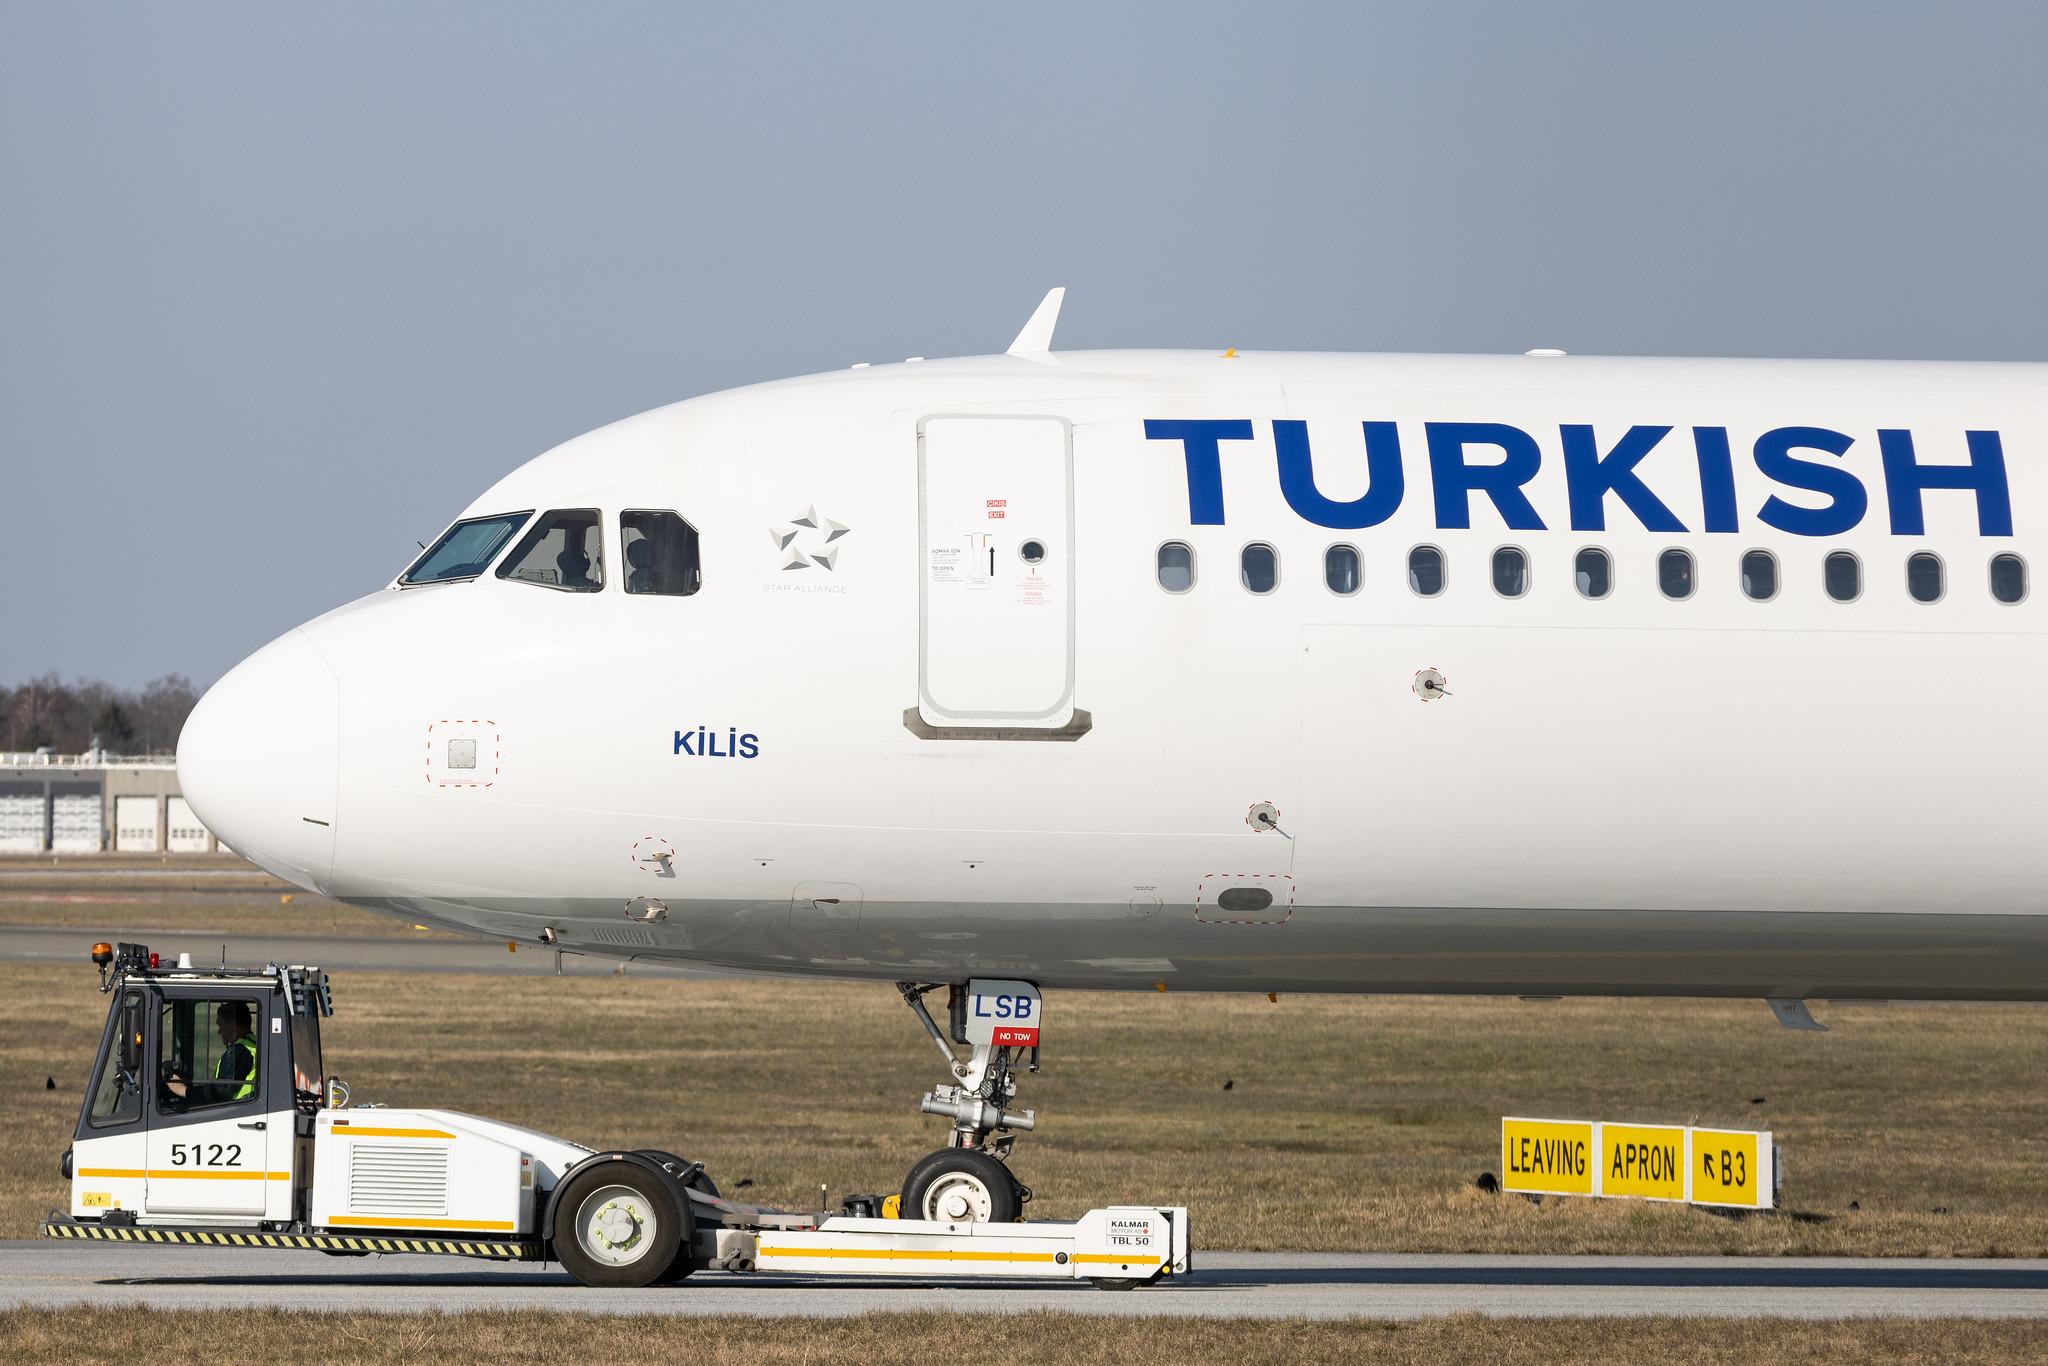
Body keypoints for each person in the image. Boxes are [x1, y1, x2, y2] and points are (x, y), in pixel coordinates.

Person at [165, 1002, 257, 1104]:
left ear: (232, 1026)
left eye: (221, 1025)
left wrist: (182, 1090)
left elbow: (220, 1093)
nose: (219, 1031)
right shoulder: (253, 1045)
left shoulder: (240, 1052)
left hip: (233, 1114)